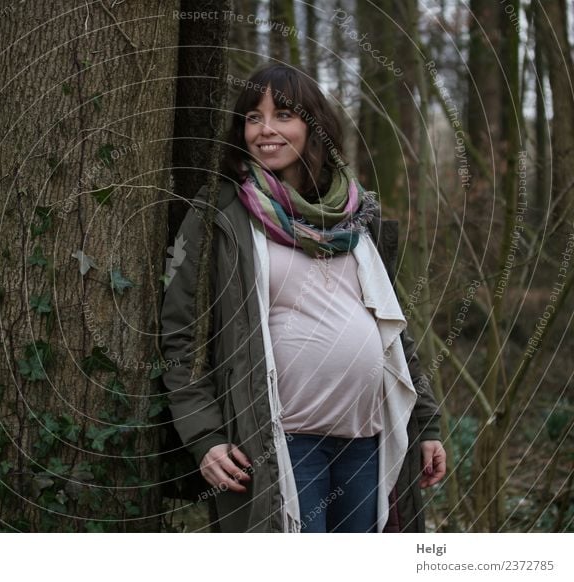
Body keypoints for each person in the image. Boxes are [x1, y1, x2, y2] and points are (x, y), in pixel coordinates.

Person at [159, 63, 446, 533]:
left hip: (365, 439)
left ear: (314, 127)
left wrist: (426, 425)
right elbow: (181, 335)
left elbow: (392, 328)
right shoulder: (223, 215)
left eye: (283, 115)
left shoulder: (354, 215)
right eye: (253, 117)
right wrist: (204, 436)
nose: (265, 130)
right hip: (278, 441)